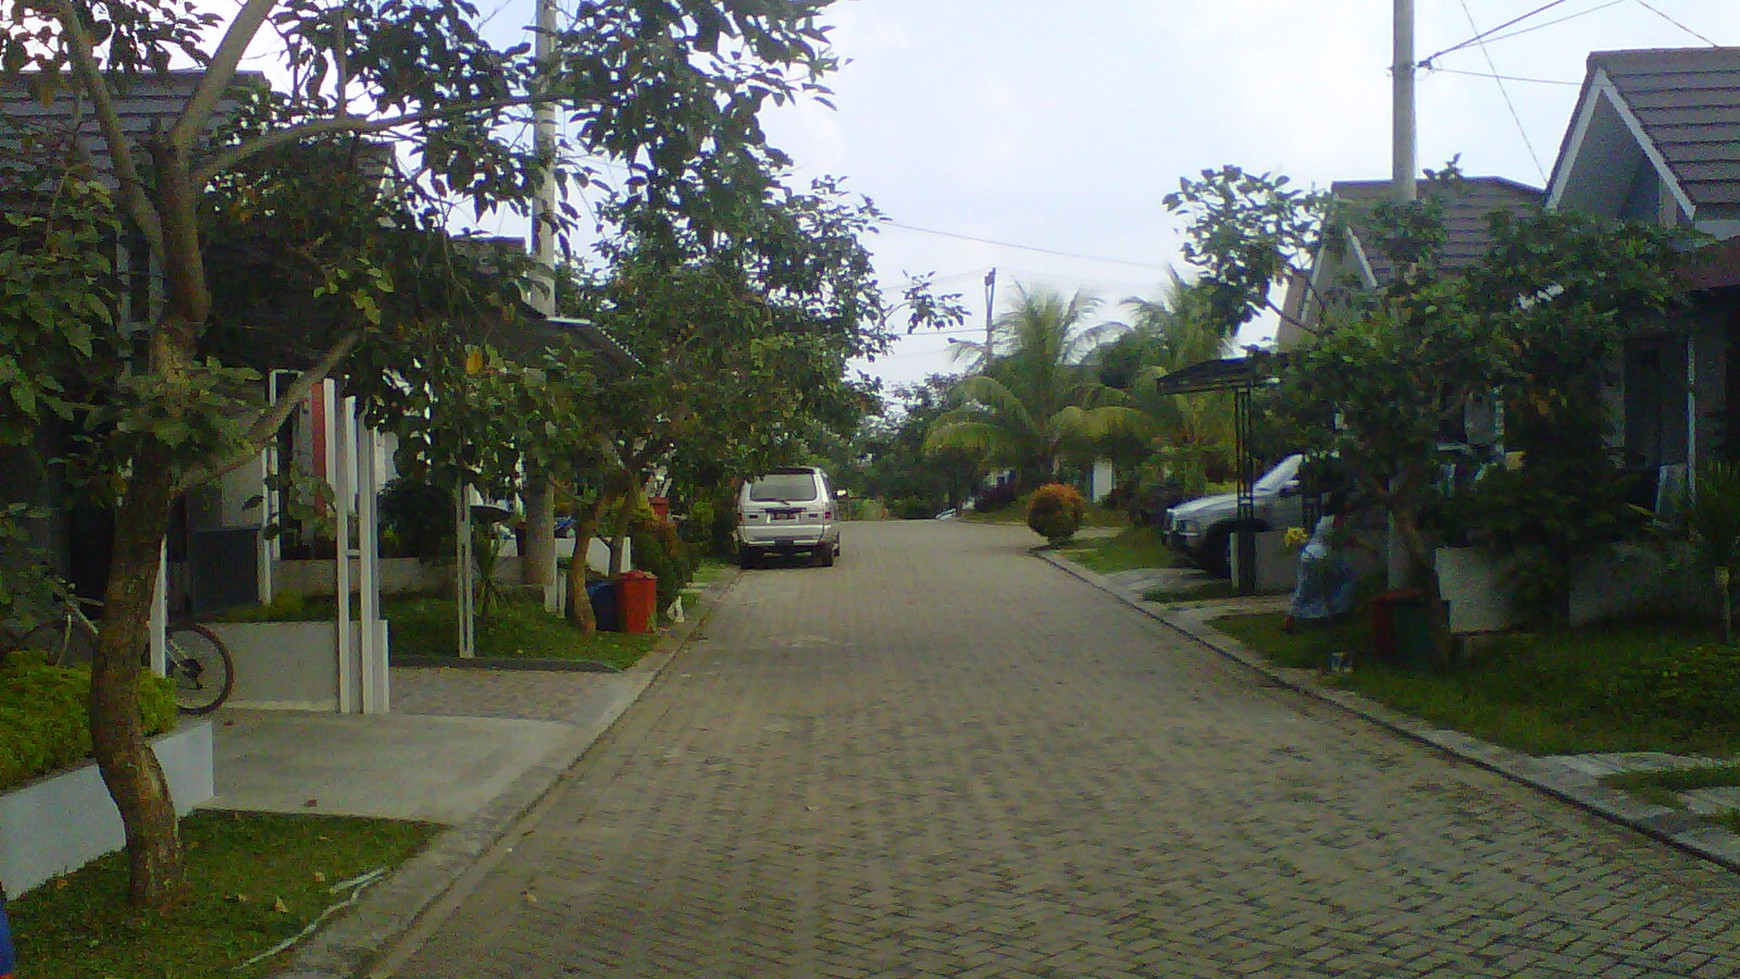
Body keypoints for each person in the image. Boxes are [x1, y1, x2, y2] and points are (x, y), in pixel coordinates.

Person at [1283, 491, 1359, 632]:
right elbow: (1343, 540)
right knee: (1346, 577)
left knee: (1305, 588)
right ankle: (1334, 611)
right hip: (1322, 556)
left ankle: (1294, 616)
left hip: (1308, 555)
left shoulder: (1324, 519)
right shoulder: (1337, 520)